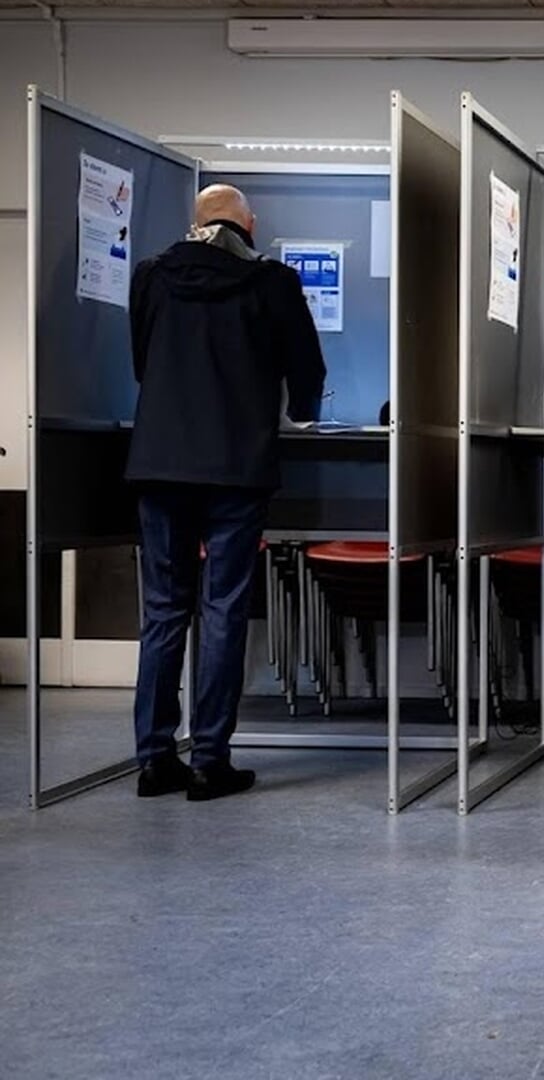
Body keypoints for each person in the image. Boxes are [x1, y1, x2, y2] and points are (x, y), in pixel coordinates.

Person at [125, 183, 326, 801]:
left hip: (160, 464)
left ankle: (155, 759)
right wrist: (301, 413)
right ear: (249, 224)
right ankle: (211, 760)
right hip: (237, 466)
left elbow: (142, 361)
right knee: (222, 608)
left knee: (163, 611)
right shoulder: (272, 281)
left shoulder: (152, 274)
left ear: (197, 222)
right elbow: (307, 368)